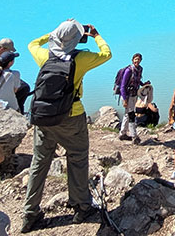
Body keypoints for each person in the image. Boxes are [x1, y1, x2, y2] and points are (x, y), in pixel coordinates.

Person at [22, 20, 110, 231]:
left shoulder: (44, 56)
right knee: (77, 159)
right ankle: (81, 207)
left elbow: (32, 43)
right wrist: (96, 35)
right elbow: (107, 54)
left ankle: (29, 214)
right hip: (72, 117)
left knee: (39, 163)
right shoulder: (81, 59)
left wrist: (52, 34)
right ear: (77, 39)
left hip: (44, 118)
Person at [114, 53, 144, 143]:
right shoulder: (128, 71)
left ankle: (122, 133)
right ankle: (134, 136)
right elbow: (123, 86)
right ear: (132, 60)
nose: (137, 61)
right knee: (131, 115)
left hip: (135, 94)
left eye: (138, 59)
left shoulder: (139, 69)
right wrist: (124, 99)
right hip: (128, 96)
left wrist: (144, 84)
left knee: (127, 114)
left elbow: (137, 80)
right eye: (135, 59)